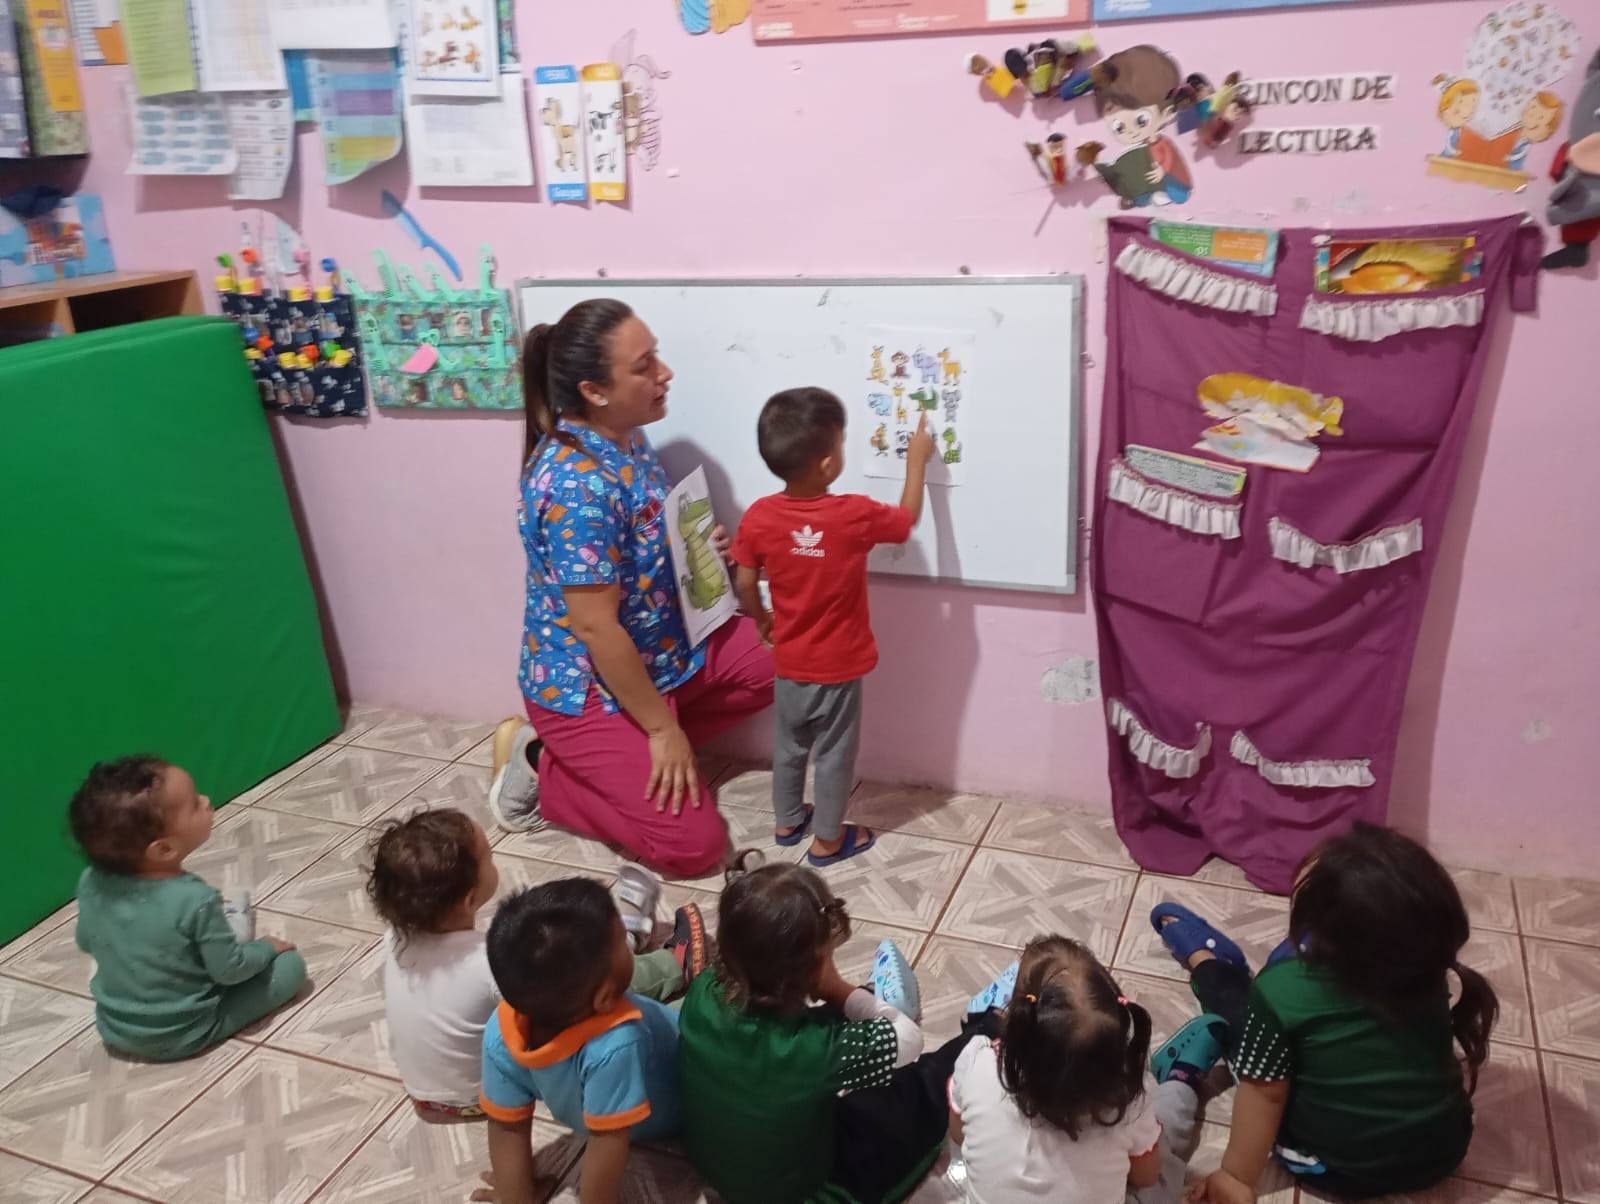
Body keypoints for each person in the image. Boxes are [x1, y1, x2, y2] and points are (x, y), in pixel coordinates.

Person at [488, 299, 775, 879]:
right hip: (587, 686)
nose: (664, 373)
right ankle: (543, 767)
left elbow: (637, 543)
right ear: (594, 391)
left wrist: (697, 545)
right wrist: (662, 729)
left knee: (788, 658)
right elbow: (595, 626)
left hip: (663, 652)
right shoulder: (576, 486)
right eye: (644, 366)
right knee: (694, 848)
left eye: (656, 357)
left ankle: (636, 760)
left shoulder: (628, 439)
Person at [1158, 823, 1499, 1201]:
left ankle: (1205, 961)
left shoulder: (1282, 990)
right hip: (1444, 1153)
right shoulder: (1427, 967)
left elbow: (1265, 1094)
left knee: (1238, 1016)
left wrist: (1235, 1177)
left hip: (1335, 1169)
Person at [678, 856, 993, 1204]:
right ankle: (989, 1027)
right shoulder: (812, 1049)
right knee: (912, 1090)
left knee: (832, 1056)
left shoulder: (703, 989)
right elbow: (909, 1040)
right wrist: (837, 989)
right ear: (813, 966)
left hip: (720, 1171)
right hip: (805, 1191)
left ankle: (872, 1003)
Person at [366, 809, 707, 1120]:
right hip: (486, 1093)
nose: (494, 861)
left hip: (427, 1097)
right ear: (470, 898)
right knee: (587, 979)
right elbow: (564, 1004)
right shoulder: (486, 961)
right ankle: (668, 963)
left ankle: (627, 935)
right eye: (489, 858)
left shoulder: (393, 939)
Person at [731, 388, 935, 866]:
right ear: (827, 465)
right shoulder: (852, 515)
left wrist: (761, 619)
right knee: (834, 754)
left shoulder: (760, 516)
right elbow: (905, 520)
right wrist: (917, 460)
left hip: (789, 661)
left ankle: (787, 821)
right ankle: (827, 840)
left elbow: (743, 579)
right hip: (838, 666)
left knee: (789, 746)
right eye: (842, 443)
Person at [950, 935, 1226, 1204]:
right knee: (1162, 1163)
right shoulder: (1126, 1105)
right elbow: (1146, 1176)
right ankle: (1182, 1078)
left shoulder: (976, 1061)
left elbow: (959, 1134)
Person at [68, 756, 306, 1061]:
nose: (206, 800)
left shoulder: (90, 881)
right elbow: (230, 971)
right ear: (164, 849)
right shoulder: (195, 899)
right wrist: (267, 948)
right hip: (186, 1032)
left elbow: (85, 940)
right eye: (194, 804)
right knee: (291, 967)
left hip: (114, 1028)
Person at [480, 879, 686, 1204]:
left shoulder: (499, 1032)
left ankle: (676, 966)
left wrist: (515, 1194)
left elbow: (507, 1126)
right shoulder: (615, 1044)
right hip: (675, 1105)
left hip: (609, 1107)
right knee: (708, 1006)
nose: (628, 950)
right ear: (603, 999)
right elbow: (607, 1142)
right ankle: (679, 964)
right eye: (623, 943)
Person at [1089, 46, 1192, 208]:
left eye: (1141, 121)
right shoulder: (1144, 147)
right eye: (1119, 127)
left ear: (1166, 114)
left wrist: (1162, 170)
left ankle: (1154, 193)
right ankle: (1135, 195)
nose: (1130, 131)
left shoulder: (1162, 143)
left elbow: (1169, 158)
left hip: (1175, 185)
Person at [1507, 91, 1563, 173]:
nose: (1532, 115)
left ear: (1549, 129)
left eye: (1541, 117)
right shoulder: (1509, 135)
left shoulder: (1536, 154)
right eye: (1533, 107)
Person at [1433, 77, 1480, 158]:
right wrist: (1453, 152)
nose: (1469, 112)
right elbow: (1448, 146)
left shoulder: (1460, 130)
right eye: (1456, 112)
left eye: (1473, 107)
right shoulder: (1450, 131)